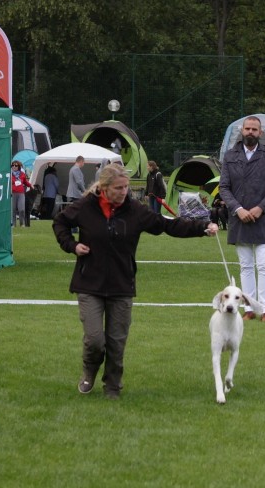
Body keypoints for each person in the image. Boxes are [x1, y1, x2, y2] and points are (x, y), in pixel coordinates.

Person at [53, 163, 218, 399]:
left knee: (117, 342)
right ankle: (89, 371)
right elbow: (60, 222)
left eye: (126, 188)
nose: (124, 192)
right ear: (105, 187)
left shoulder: (134, 210)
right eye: (119, 188)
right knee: (95, 340)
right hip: (89, 283)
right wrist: (71, 245)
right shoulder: (85, 206)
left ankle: (112, 386)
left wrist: (202, 228)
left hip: (122, 284)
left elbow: (167, 225)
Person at [219, 115, 265, 322]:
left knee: (264, 266)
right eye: (247, 129)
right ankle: (248, 309)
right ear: (242, 131)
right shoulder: (230, 156)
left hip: (264, 219)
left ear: (260, 133)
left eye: (254, 129)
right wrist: (237, 208)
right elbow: (223, 188)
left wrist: (260, 208)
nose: (250, 132)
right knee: (245, 266)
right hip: (239, 219)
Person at [10, 160, 32, 227]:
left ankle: (22, 223)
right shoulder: (10, 175)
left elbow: (25, 182)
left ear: (19, 167)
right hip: (13, 193)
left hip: (21, 193)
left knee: (21, 209)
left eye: (16, 165)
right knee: (13, 209)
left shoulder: (22, 174)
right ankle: (13, 224)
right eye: (12, 165)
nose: (14, 166)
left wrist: (31, 185)